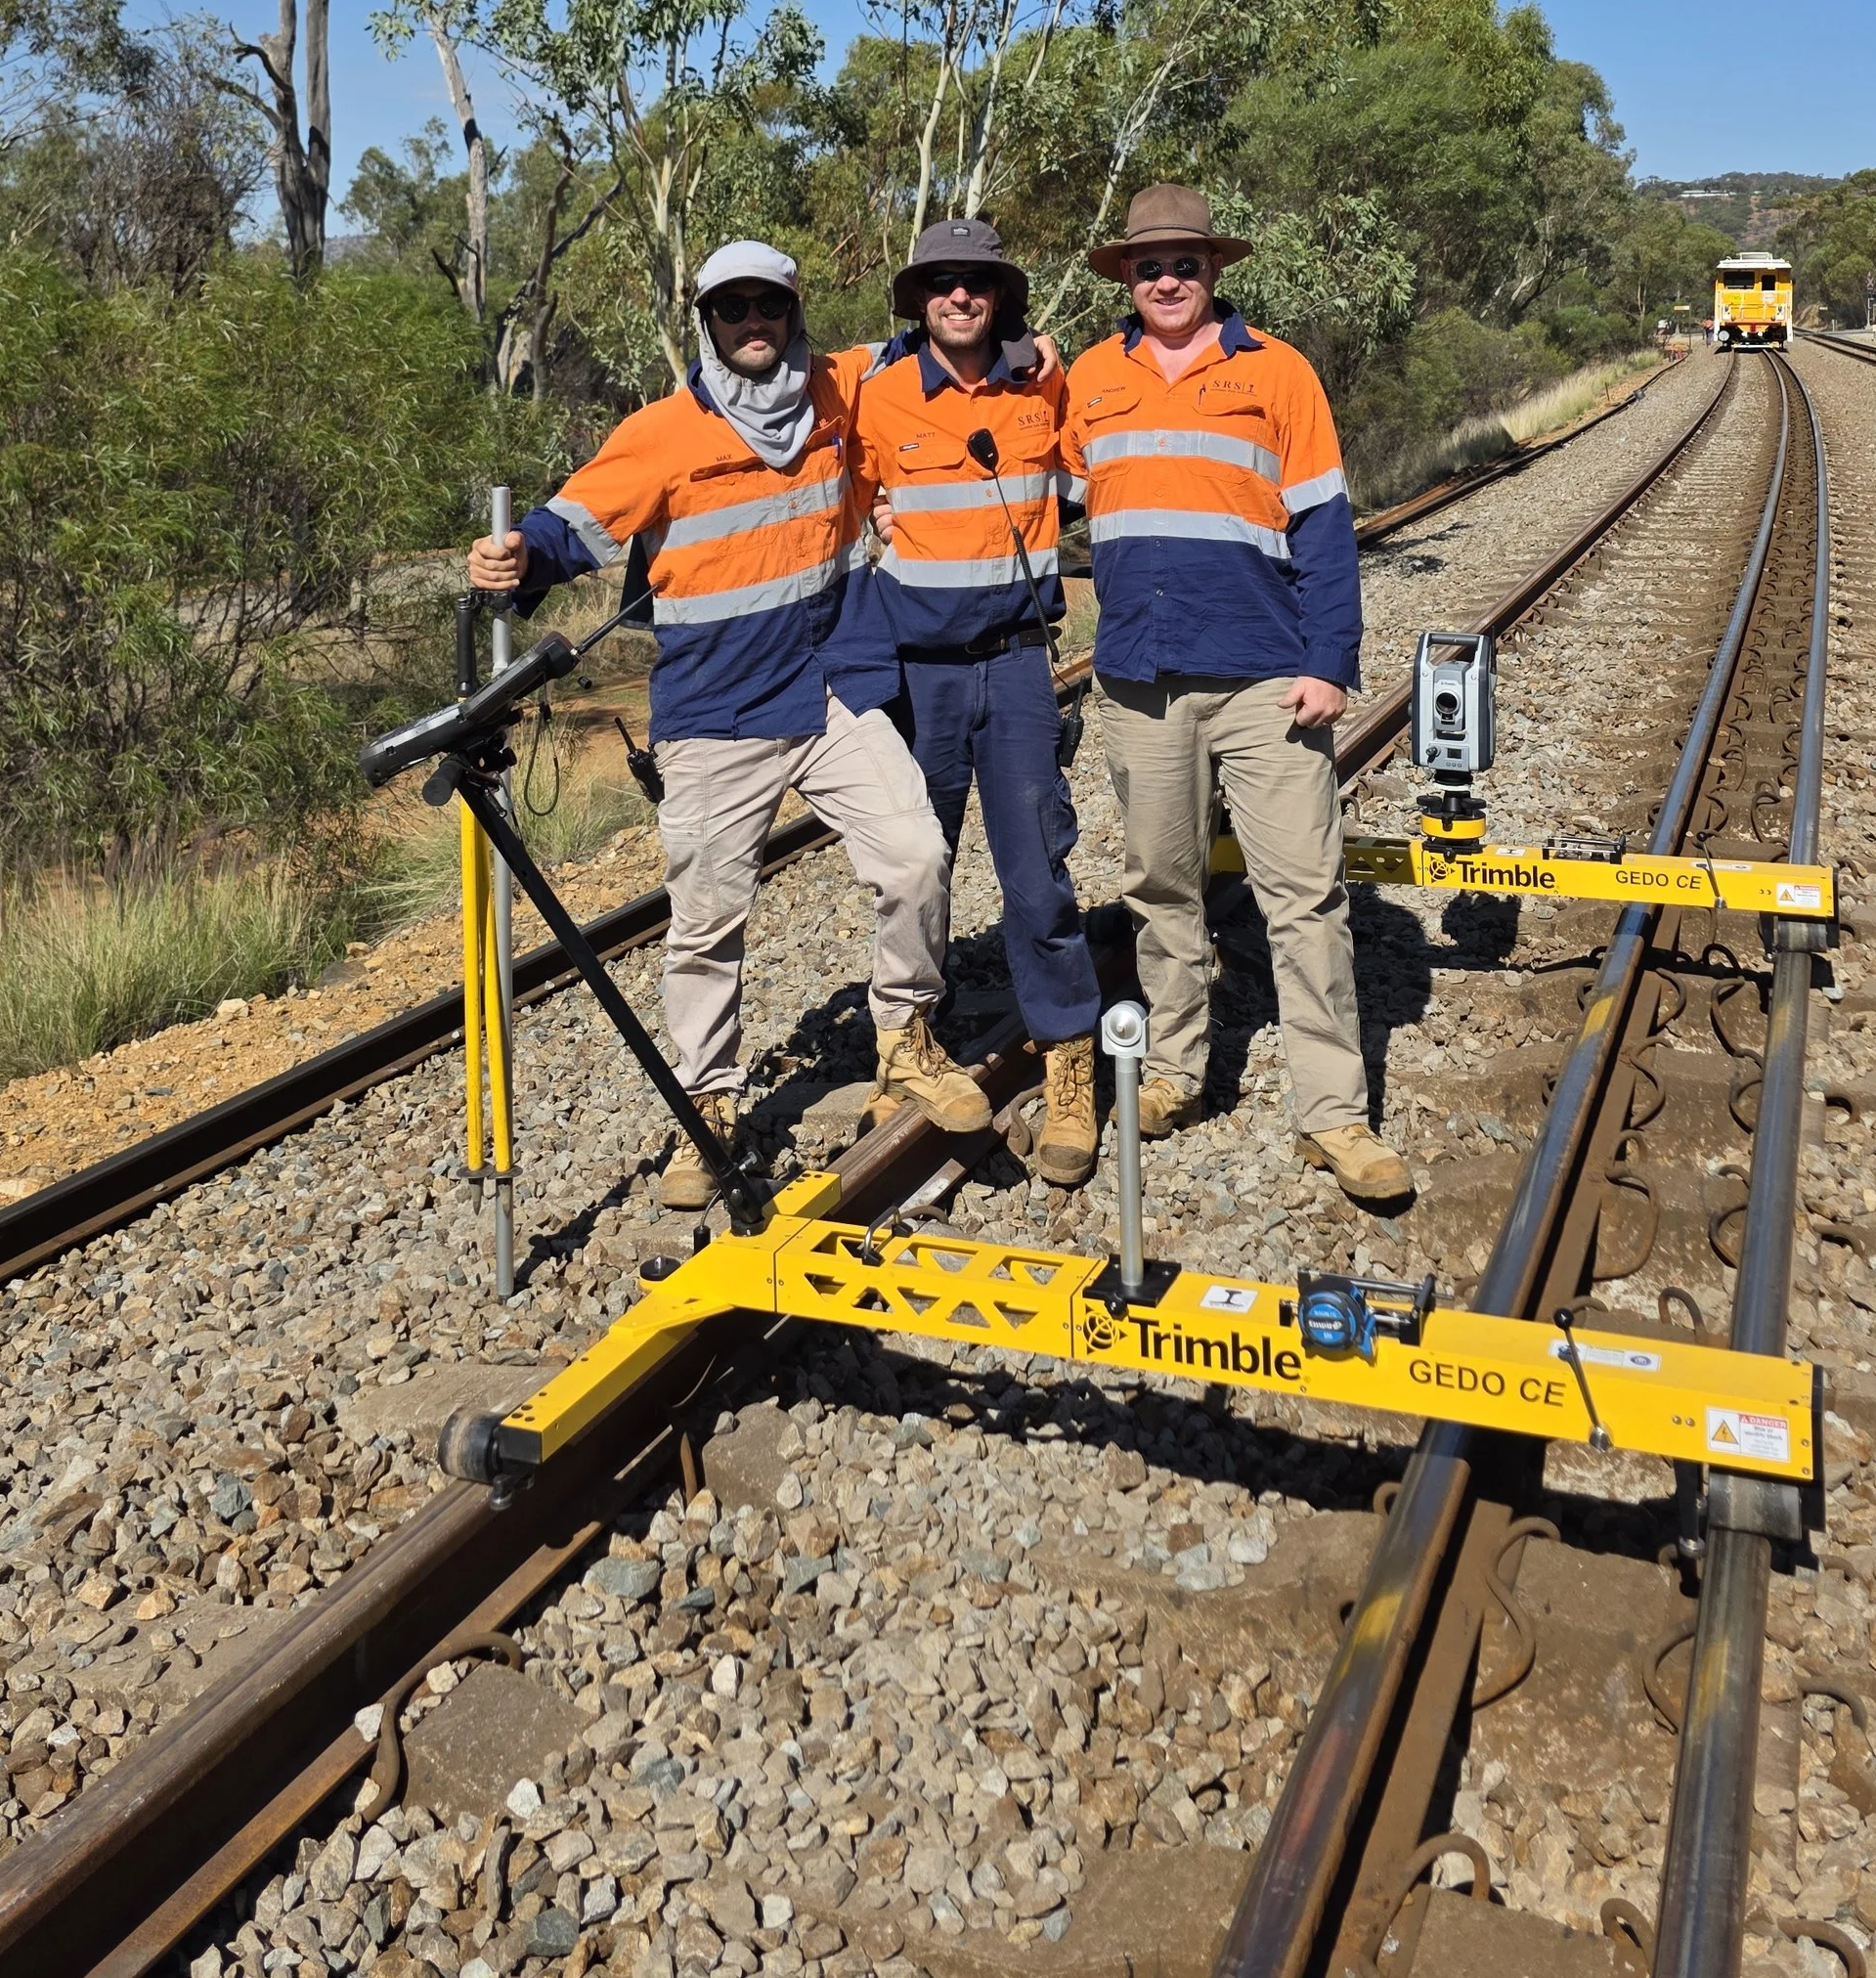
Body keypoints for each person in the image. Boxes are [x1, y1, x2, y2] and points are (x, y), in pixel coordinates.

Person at [464, 239, 988, 1210]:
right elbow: (567, 529)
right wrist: (512, 559)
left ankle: (907, 1040)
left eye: (769, 307)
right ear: (705, 322)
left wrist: (1023, 351)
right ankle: (707, 1103)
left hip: (831, 684)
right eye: (731, 310)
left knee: (916, 852)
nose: (753, 325)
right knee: (707, 920)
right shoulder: (661, 434)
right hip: (716, 712)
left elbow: (937, 352)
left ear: (794, 312)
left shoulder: (840, 389)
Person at [1058, 185, 1410, 1208]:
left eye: (1184, 263)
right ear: (1125, 275)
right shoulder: (1091, 376)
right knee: (1161, 890)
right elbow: (1049, 491)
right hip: (1137, 677)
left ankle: (1333, 1115)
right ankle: (1172, 1073)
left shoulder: (1277, 371)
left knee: (1302, 896)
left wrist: (1329, 661)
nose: (1165, 280)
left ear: (1215, 270)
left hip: (1264, 674)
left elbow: (1323, 528)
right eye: (1147, 265)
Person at [849, 218, 1103, 1189]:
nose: (959, 297)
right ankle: (907, 1051)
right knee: (919, 871)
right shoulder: (874, 392)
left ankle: (1069, 1065)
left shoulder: (1044, 382)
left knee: (1037, 877)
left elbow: (1091, 471)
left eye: (977, 283)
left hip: (1013, 666)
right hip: (917, 672)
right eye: (940, 283)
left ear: (1002, 294)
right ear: (918, 298)